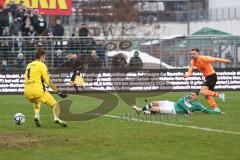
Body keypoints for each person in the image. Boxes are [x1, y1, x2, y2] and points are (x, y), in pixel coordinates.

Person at [24, 49, 68, 127]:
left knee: (37, 101)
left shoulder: (29, 65)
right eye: (44, 57)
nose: (45, 59)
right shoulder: (42, 65)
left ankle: (37, 115)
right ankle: (56, 118)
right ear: (41, 57)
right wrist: (57, 91)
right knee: (55, 105)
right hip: (38, 91)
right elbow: (48, 81)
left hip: (27, 92)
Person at [132, 91, 222, 115]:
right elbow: (179, 101)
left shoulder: (198, 105)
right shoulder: (186, 97)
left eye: (193, 95)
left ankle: (149, 112)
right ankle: (139, 109)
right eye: (191, 94)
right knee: (154, 102)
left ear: (197, 97)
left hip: (174, 110)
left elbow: (206, 111)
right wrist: (187, 110)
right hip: (172, 104)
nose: (191, 96)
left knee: (153, 108)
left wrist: (217, 112)